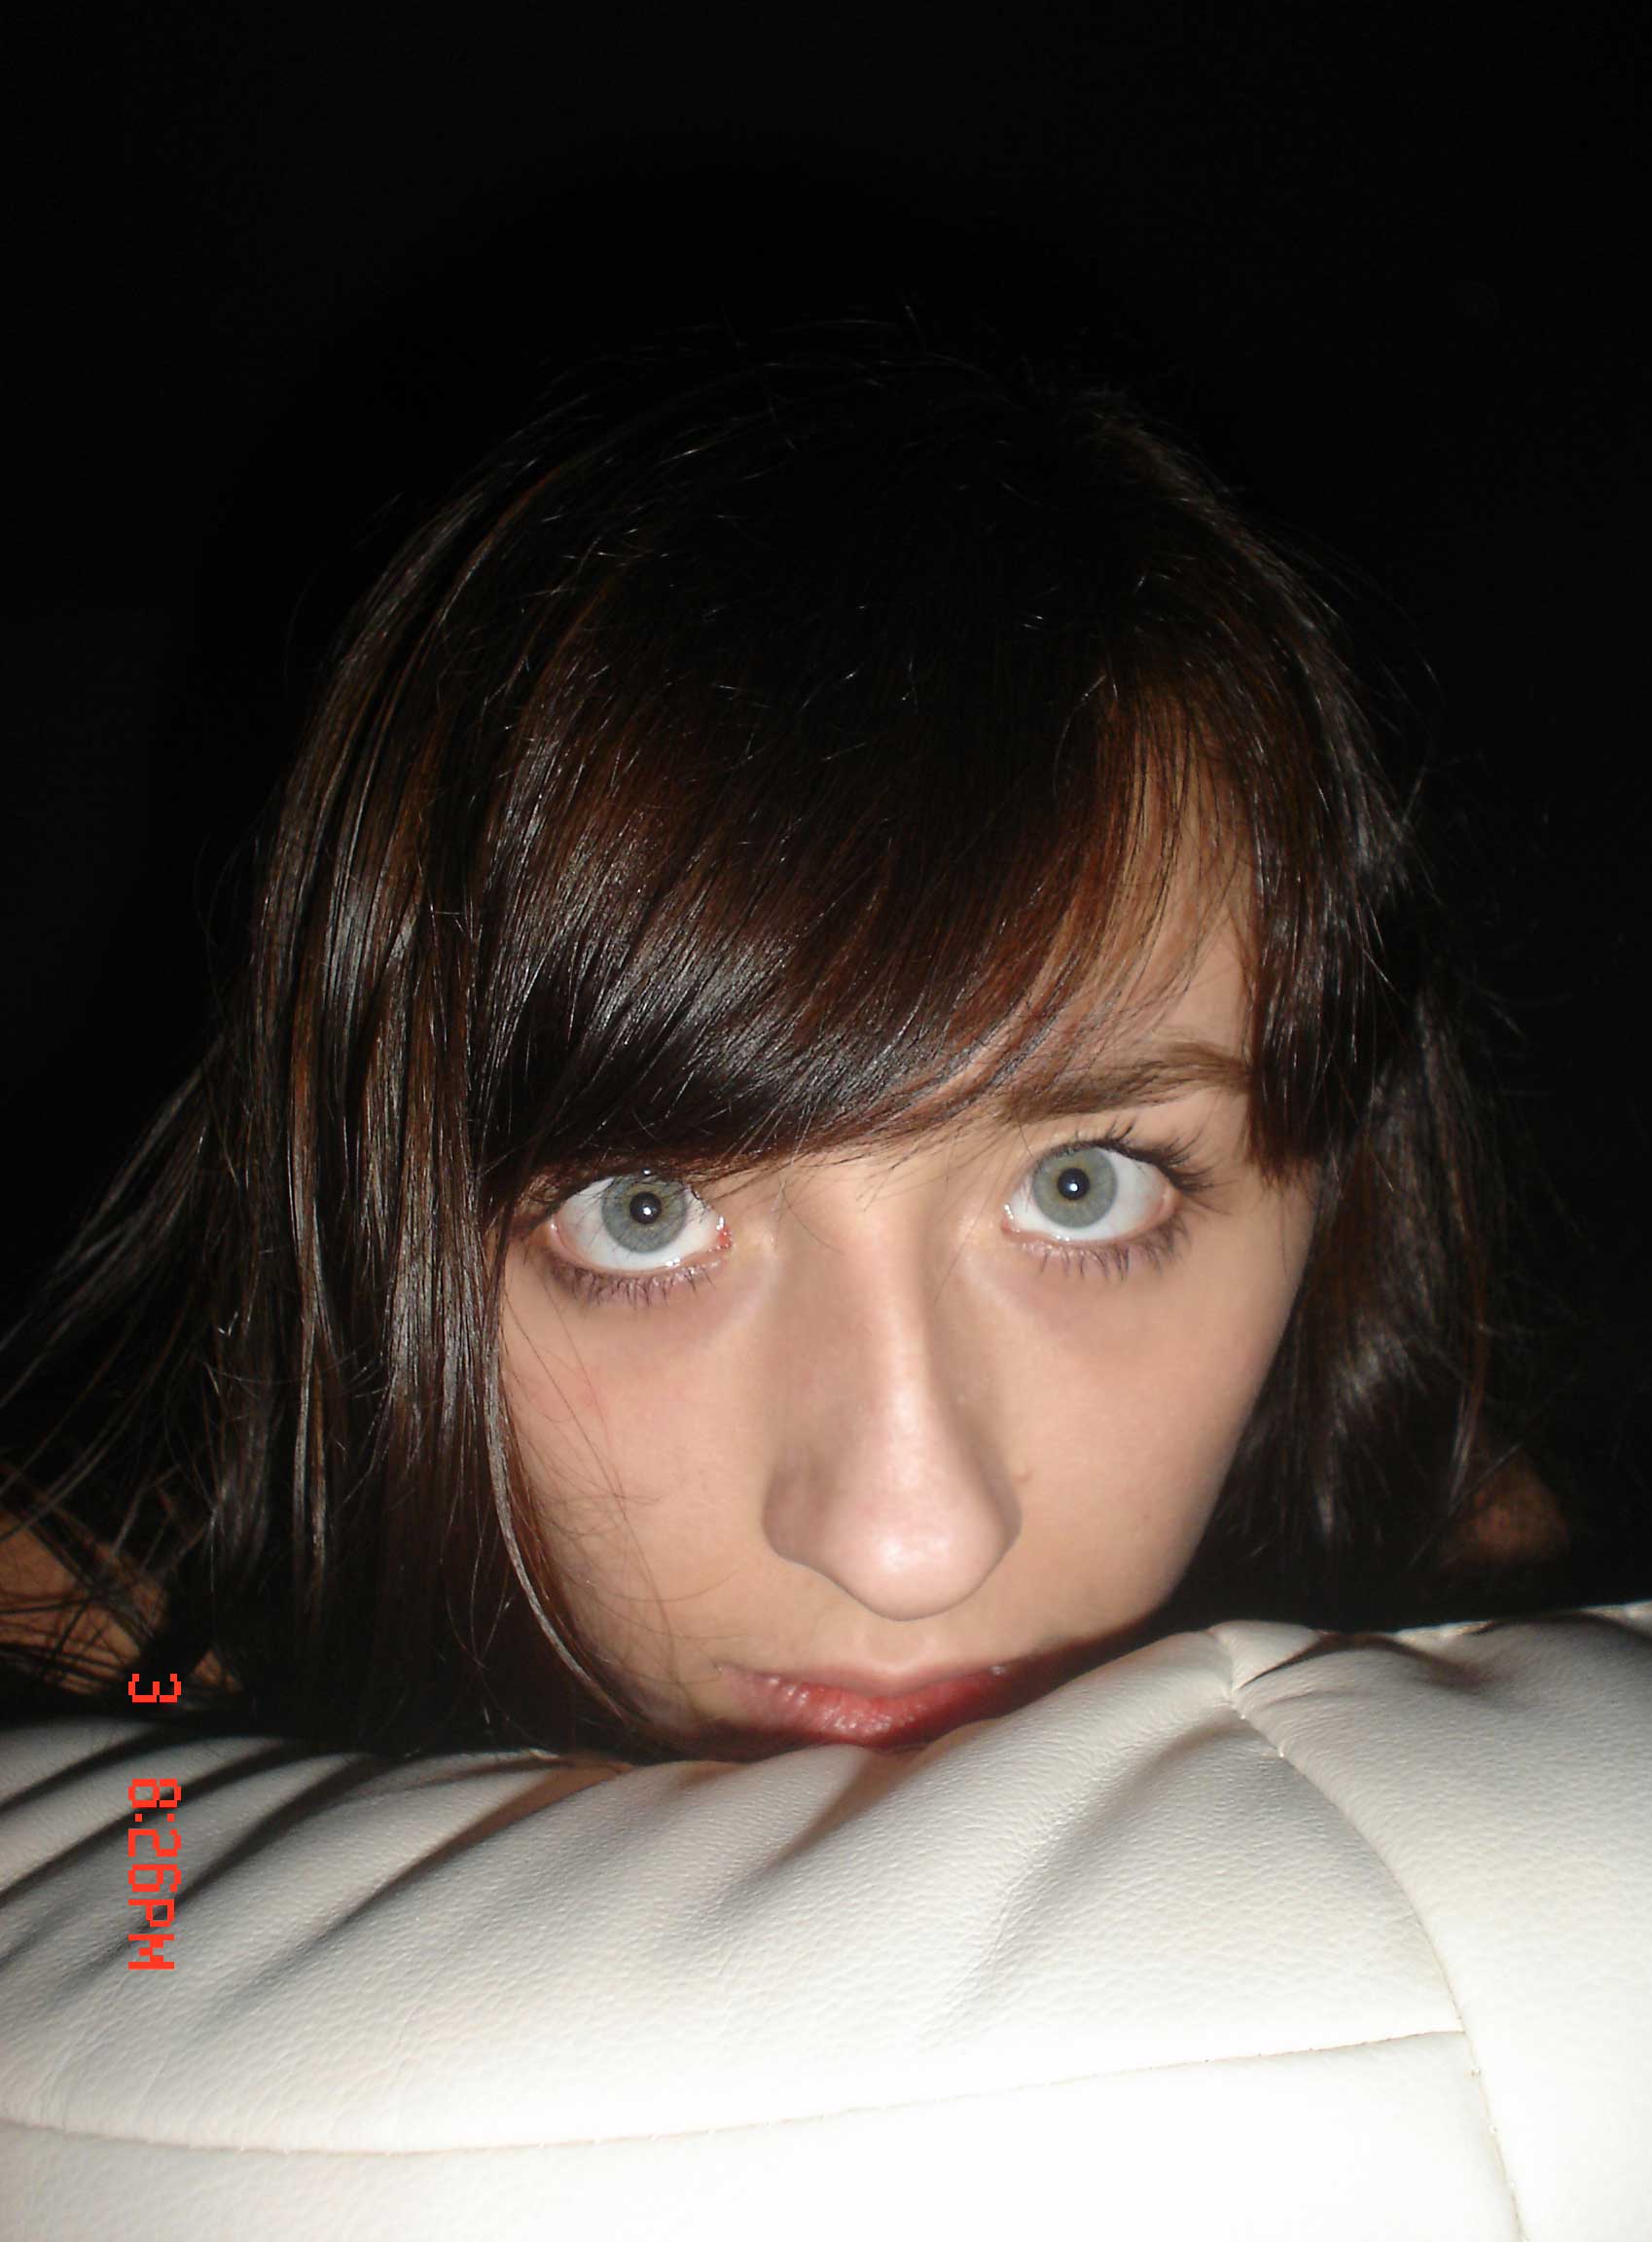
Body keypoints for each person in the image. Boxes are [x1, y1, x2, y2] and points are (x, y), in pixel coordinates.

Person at [0, 318, 1570, 1770]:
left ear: (1333, 1182)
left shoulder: (1470, 1618)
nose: (910, 1544)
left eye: (1082, 1187)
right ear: (363, 1191)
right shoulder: (118, 1729)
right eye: (643, 1213)